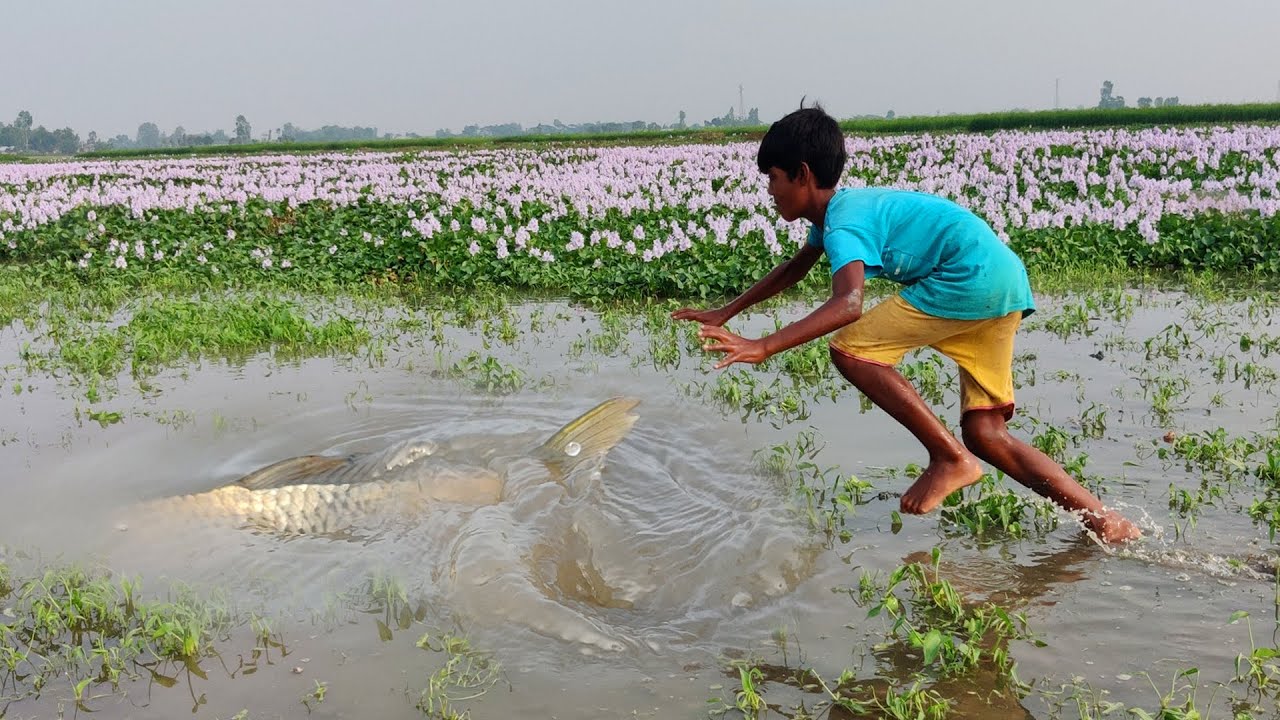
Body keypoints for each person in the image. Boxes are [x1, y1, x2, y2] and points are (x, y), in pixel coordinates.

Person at [672, 106, 1139, 544]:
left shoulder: (844, 223)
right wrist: (726, 312)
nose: (769, 190)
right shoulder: (838, 214)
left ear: (803, 174)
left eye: (773, 178)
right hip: (1001, 280)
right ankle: (1104, 520)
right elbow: (794, 269)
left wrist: (765, 345)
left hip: (966, 278)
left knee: (851, 349)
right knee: (985, 434)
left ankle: (948, 458)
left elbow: (848, 304)